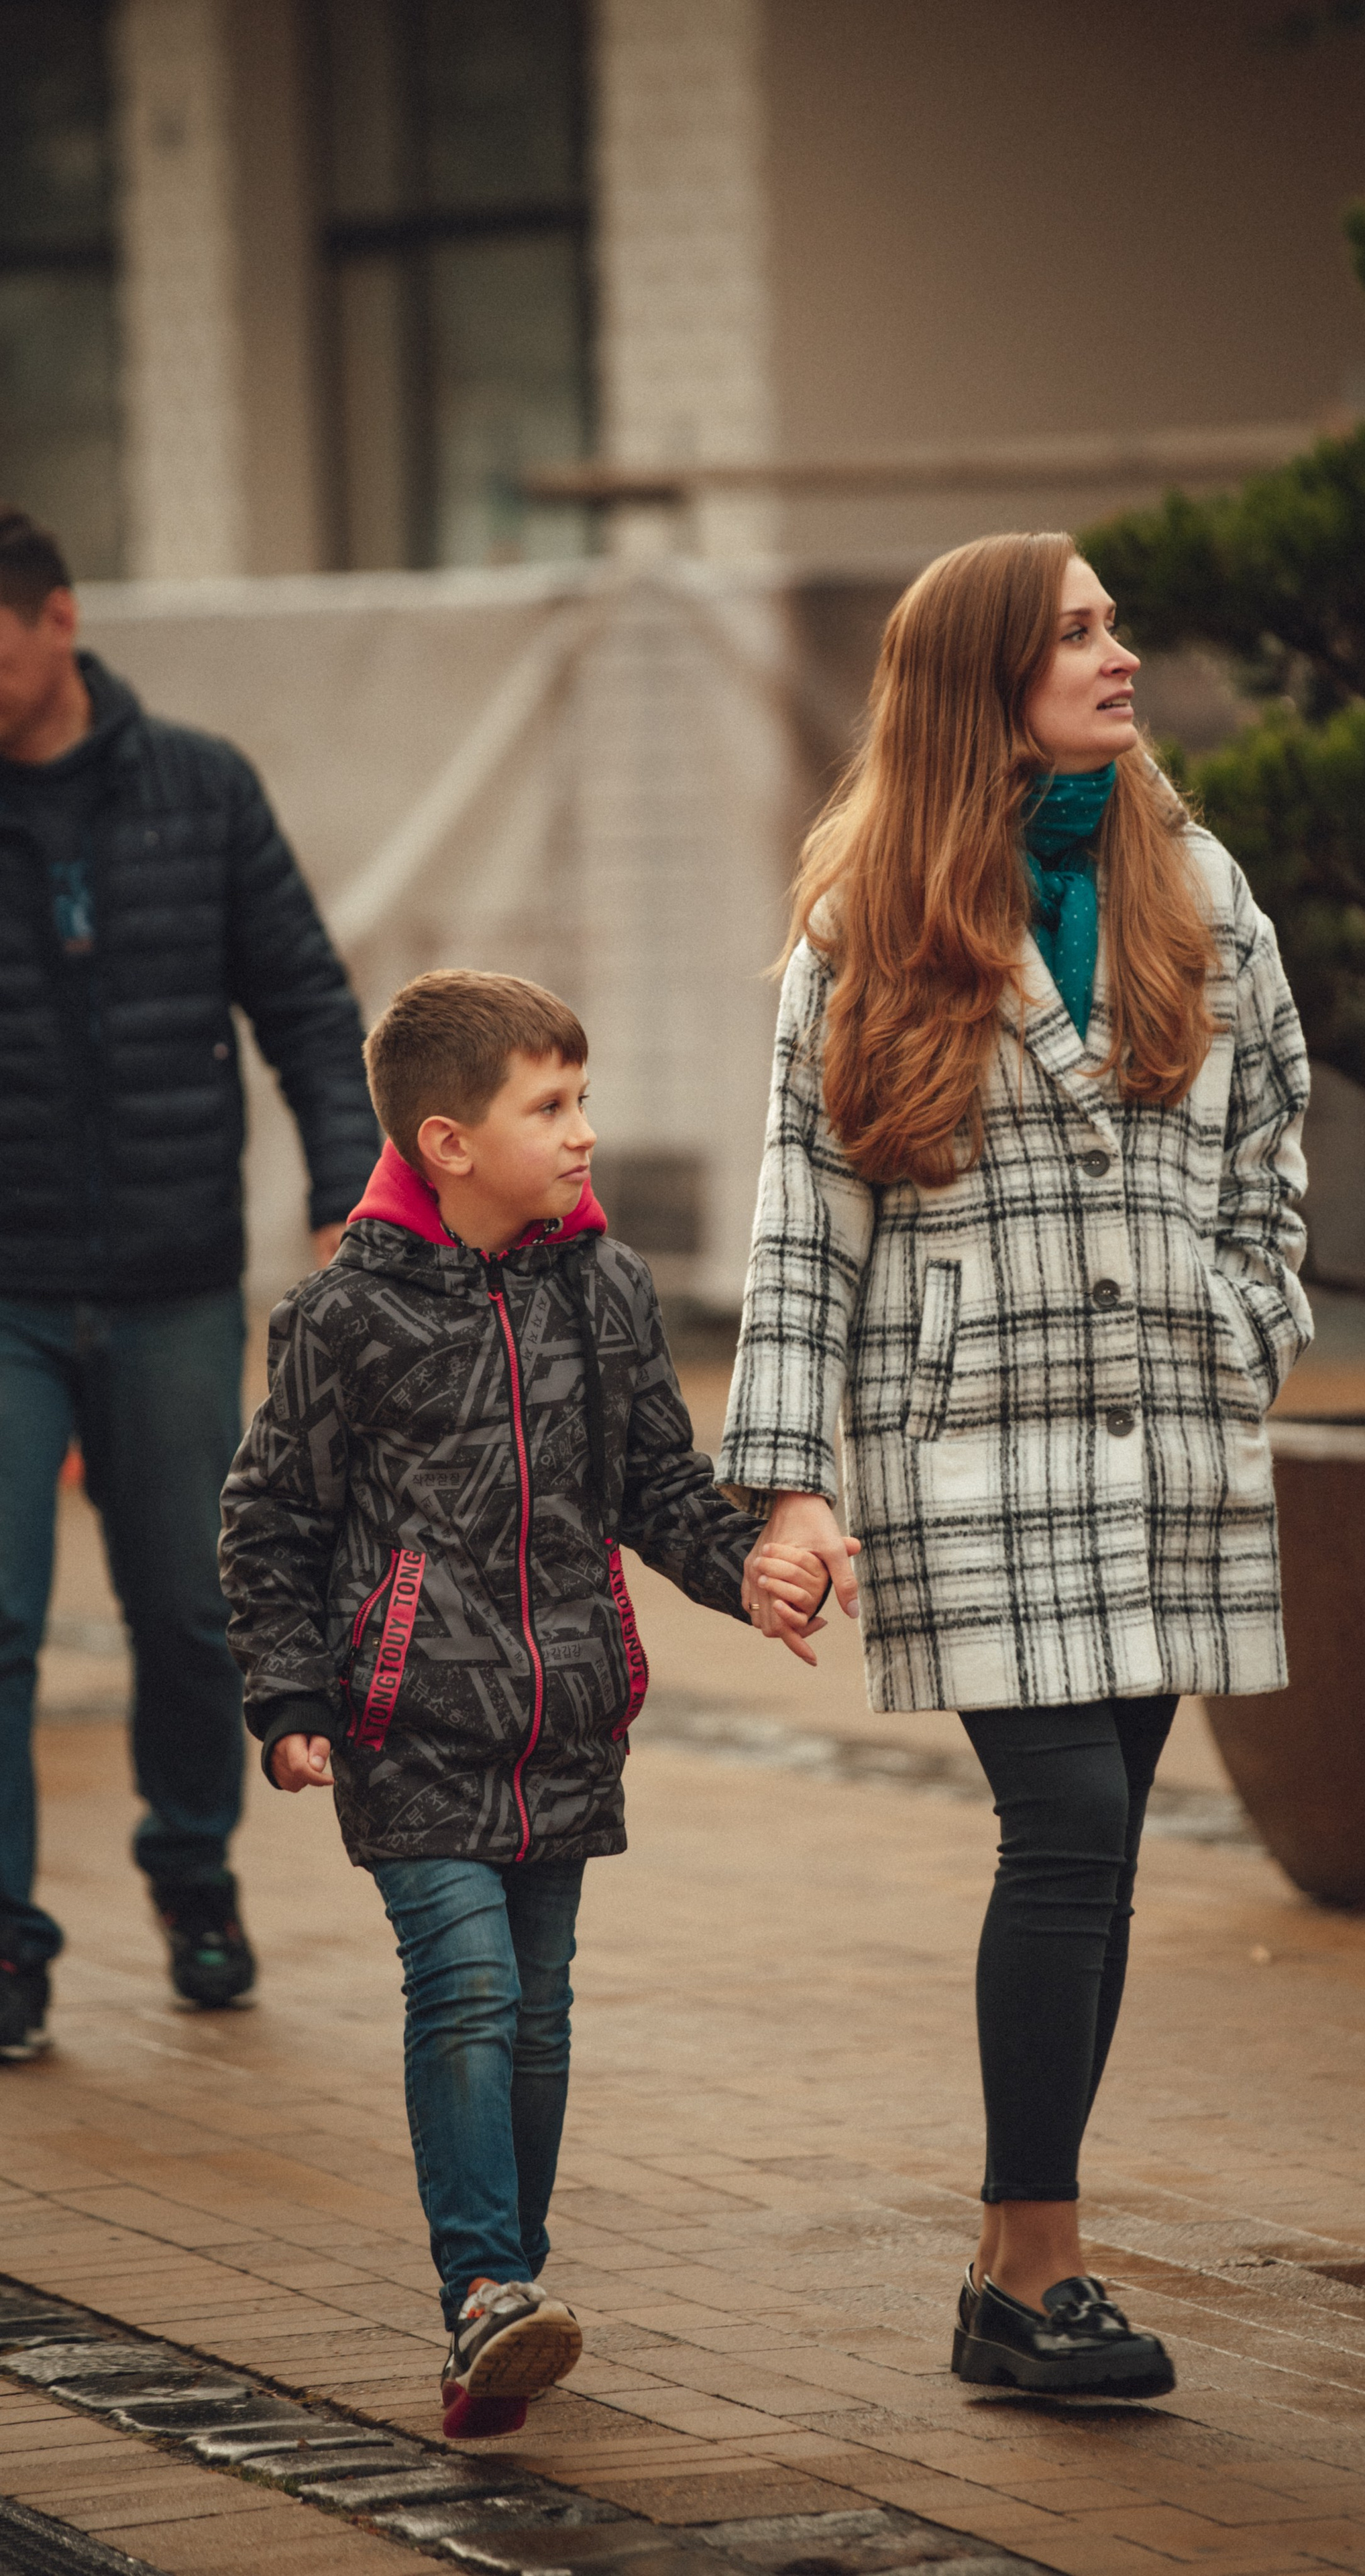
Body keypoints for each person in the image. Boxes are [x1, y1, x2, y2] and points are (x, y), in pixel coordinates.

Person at [720, 533, 1312, 2399]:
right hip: (969, 1463)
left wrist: (1247, 1319)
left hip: (1168, 1451)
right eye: (1077, 633)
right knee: (1064, 1831)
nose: (1120, 655)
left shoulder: (1200, 887)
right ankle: (1046, 2267)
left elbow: (1278, 1139)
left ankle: (1003, 2274)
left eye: (1117, 621)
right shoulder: (865, 929)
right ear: (986, 676)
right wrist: (793, 1483)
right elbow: (802, 1226)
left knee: (1108, 1845)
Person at [219, 969, 828, 2438]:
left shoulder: (603, 1288)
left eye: (581, 1097)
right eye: (547, 1106)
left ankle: (506, 2312)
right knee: (470, 1987)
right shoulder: (341, 1316)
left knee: (538, 2014)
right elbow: (269, 1520)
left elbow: (653, 1486)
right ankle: (485, 2285)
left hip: (564, 1725)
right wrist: (292, 1690)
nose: (583, 1133)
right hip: (405, 1726)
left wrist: (746, 1565)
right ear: (446, 1140)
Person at [0, 506, 378, 2058]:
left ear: (57, 621)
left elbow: (300, 992)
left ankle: (193, 1871)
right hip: (6, 1290)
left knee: (190, 1610)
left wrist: (348, 1188)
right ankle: (10, 1944)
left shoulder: (199, 787)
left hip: (171, 1279)